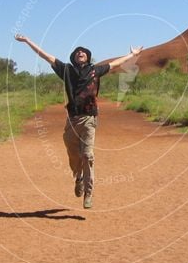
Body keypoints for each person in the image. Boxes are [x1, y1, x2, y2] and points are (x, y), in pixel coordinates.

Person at [15, 34, 142, 208]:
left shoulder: (95, 70)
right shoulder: (66, 70)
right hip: (72, 120)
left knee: (88, 156)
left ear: (88, 56)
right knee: (73, 155)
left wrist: (133, 55)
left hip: (89, 118)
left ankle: (88, 194)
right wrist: (28, 41)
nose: (80, 53)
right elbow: (45, 56)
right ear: (74, 57)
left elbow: (116, 64)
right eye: (77, 52)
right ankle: (79, 177)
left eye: (83, 52)